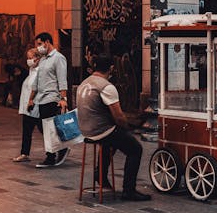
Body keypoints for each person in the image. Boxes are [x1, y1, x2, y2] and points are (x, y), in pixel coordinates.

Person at [76, 54, 151, 201]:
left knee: (114, 139)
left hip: (85, 130)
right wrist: (129, 128)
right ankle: (128, 190)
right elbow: (119, 117)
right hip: (100, 130)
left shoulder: (84, 82)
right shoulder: (106, 87)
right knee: (135, 148)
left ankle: (101, 174)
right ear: (111, 68)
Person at [28, 32, 70, 168]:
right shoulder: (44, 59)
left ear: (47, 42)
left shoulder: (59, 58)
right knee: (43, 127)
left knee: (48, 128)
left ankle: (51, 156)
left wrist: (63, 98)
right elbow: (37, 80)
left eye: (40, 44)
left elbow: (62, 79)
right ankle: (61, 147)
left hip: (52, 98)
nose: (38, 47)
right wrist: (31, 98)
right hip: (41, 98)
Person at [13, 48, 43, 162]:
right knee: (27, 130)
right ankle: (24, 153)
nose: (29, 61)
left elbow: (36, 88)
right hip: (28, 107)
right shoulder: (31, 70)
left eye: (31, 58)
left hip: (35, 106)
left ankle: (59, 150)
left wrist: (31, 100)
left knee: (44, 130)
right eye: (28, 58)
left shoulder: (40, 72)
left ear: (38, 58)